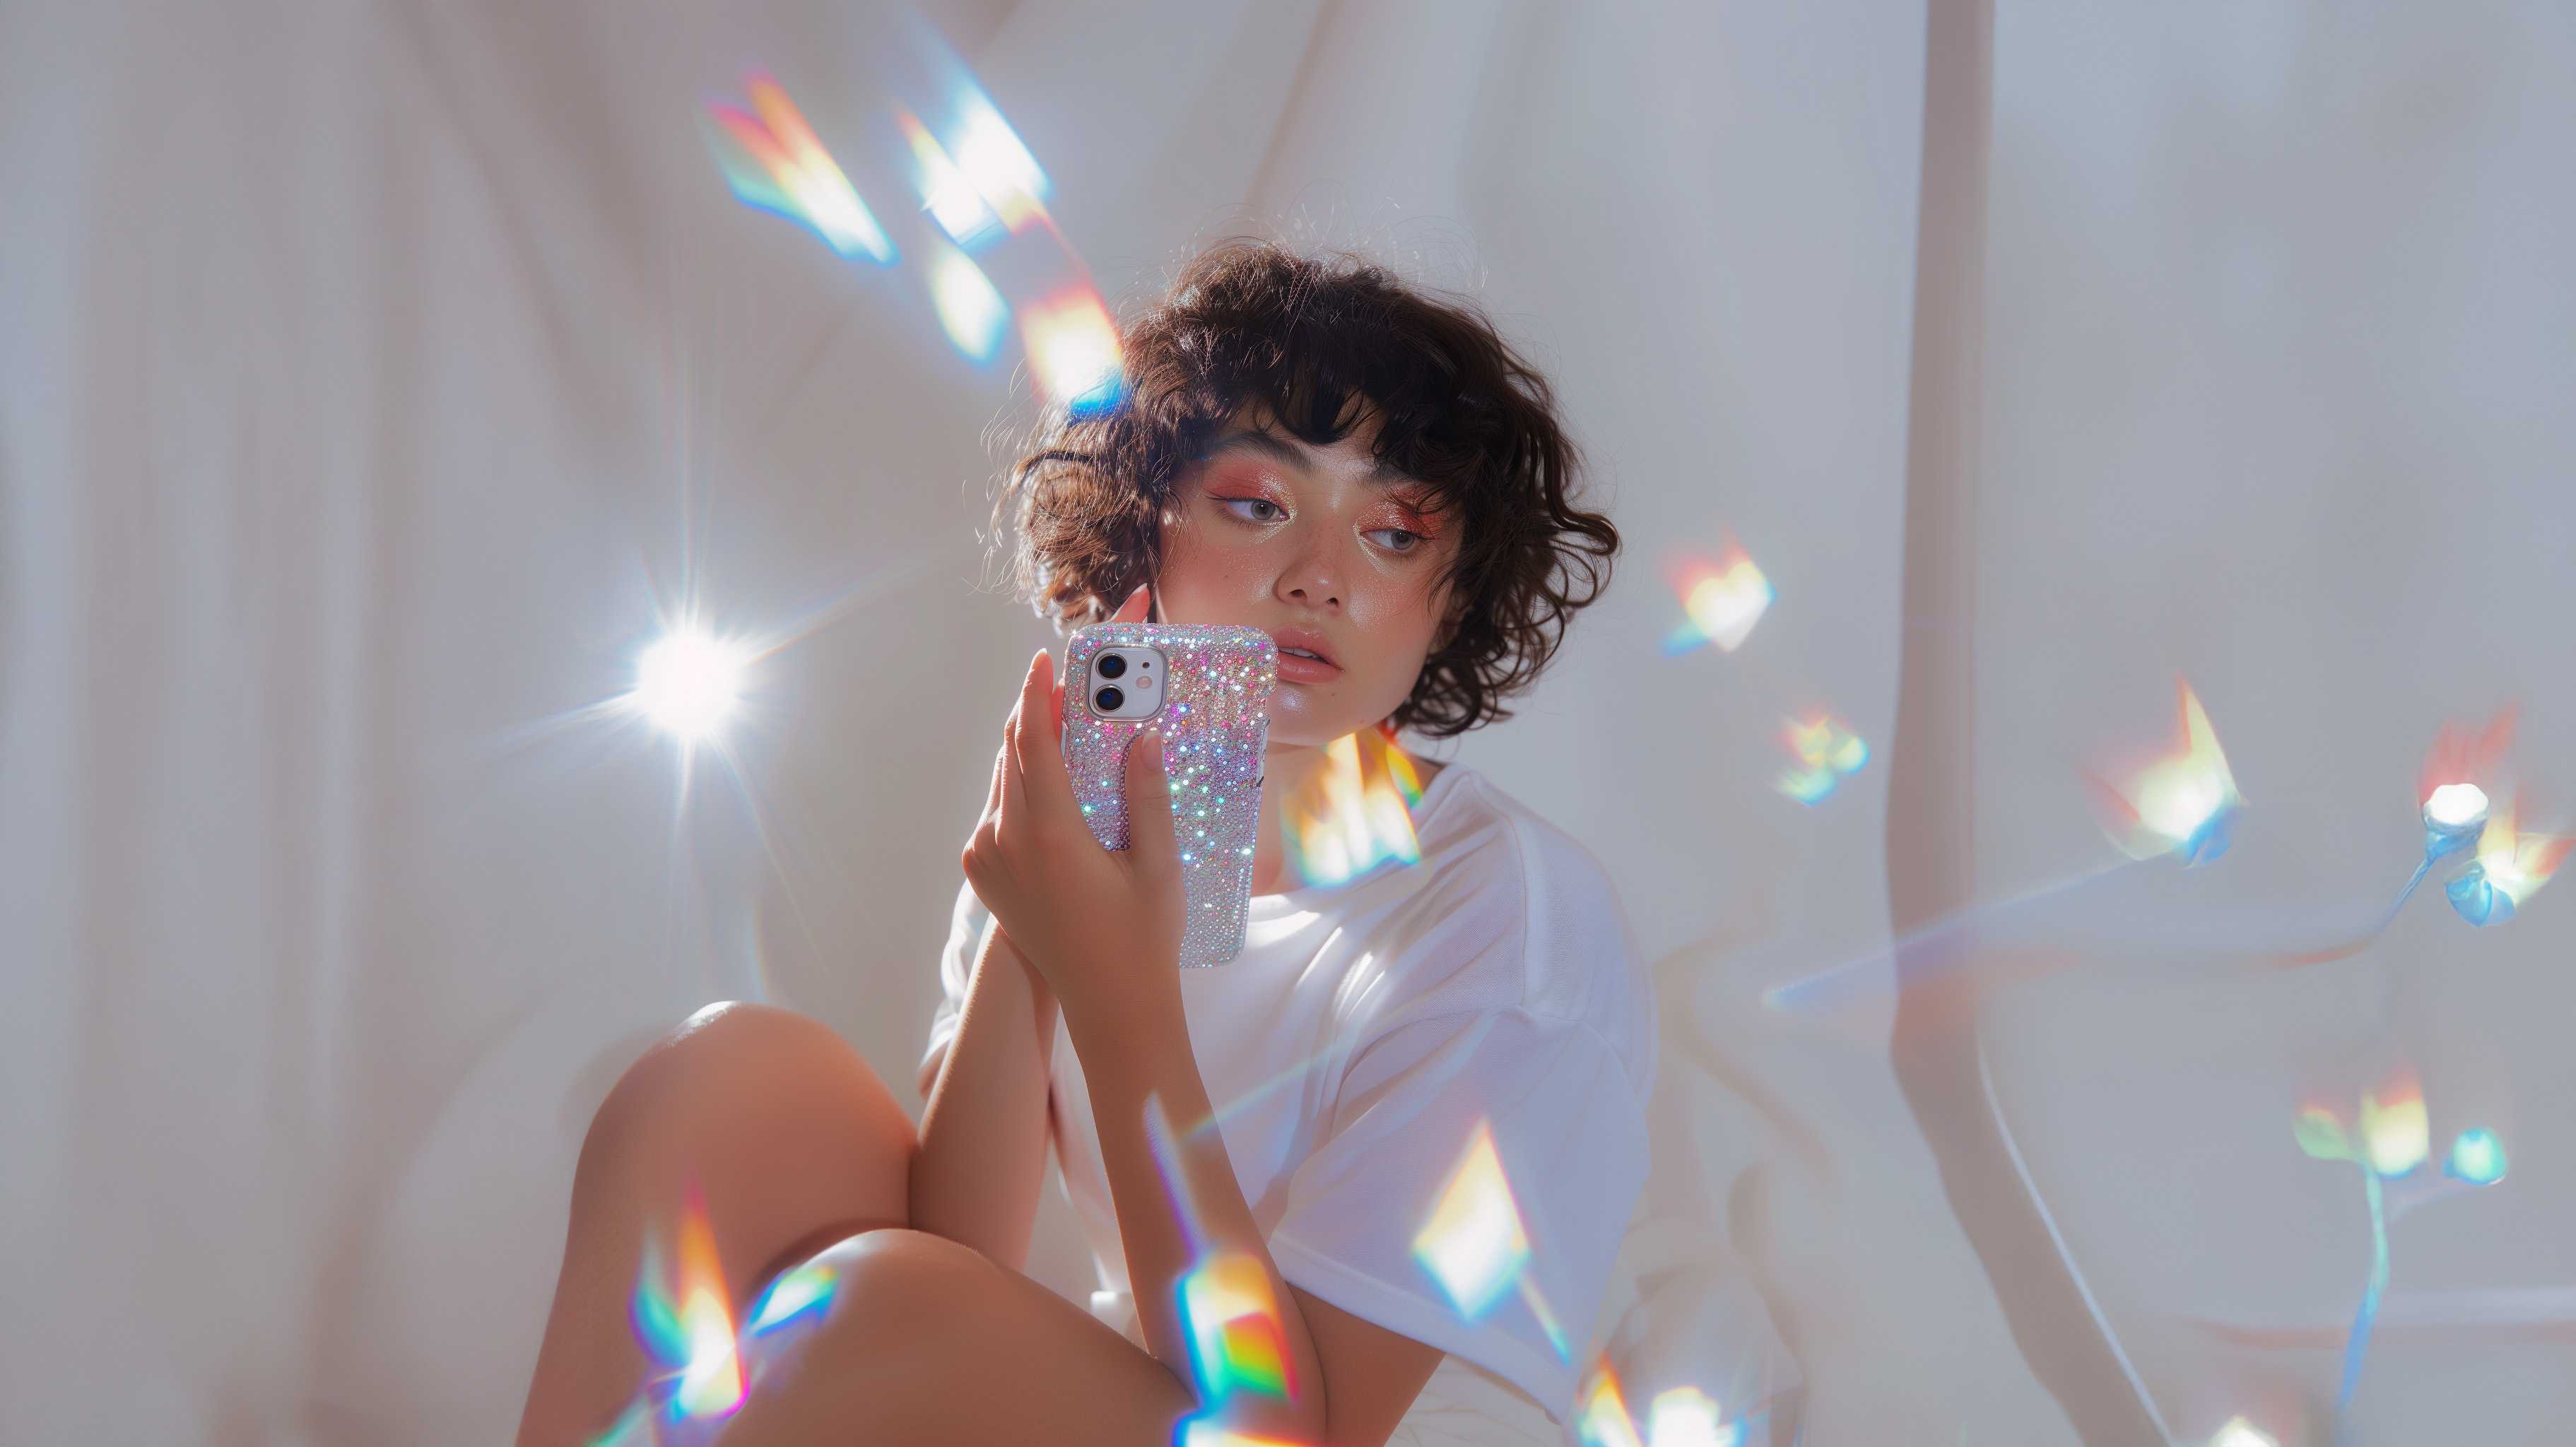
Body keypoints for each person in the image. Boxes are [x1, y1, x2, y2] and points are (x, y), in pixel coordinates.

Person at [515, 240, 1655, 1447]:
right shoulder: (1069, 820)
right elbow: (956, 1260)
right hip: (1151, 1401)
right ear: (1141, 525)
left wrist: (1120, 991)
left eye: (1394, 533)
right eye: (1259, 507)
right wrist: (1037, 931)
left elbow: (1292, 1430)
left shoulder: (1511, 931)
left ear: (1454, 593)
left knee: (876, 1304)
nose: (1319, 577)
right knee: (729, 1081)